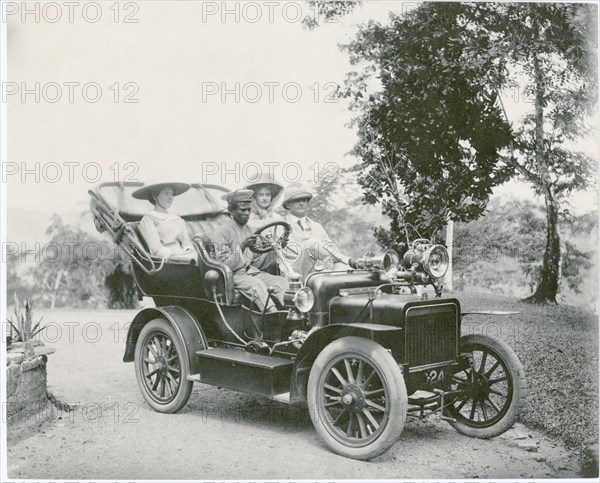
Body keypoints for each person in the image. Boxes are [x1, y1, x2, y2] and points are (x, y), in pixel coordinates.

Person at [211, 189, 287, 313]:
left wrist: (277, 248)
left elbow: (258, 260)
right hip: (234, 276)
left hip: (252, 272)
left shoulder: (251, 230)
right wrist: (242, 246)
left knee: (280, 281)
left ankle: (292, 314)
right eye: (242, 210)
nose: (247, 213)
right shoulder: (221, 233)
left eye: (249, 210)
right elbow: (225, 266)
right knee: (257, 285)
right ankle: (273, 317)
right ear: (231, 211)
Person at [281, 183, 357, 279]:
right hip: (294, 272)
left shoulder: (316, 226)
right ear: (288, 204)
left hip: (320, 269)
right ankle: (349, 260)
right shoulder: (280, 225)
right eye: (297, 200)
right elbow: (283, 254)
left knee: (345, 269)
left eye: (304, 200)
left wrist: (326, 261)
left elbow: (333, 250)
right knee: (311, 244)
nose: (301, 203)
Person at [133, 181, 196, 261]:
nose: (170, 197)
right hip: (168, 261)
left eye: (172, 194)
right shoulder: (148, 219)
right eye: (166, 193)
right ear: (155, 196)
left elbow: (186, 242)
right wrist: (181, 256)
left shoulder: (178, 220)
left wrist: (189, 251)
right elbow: (156, 249)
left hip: (187, 258)